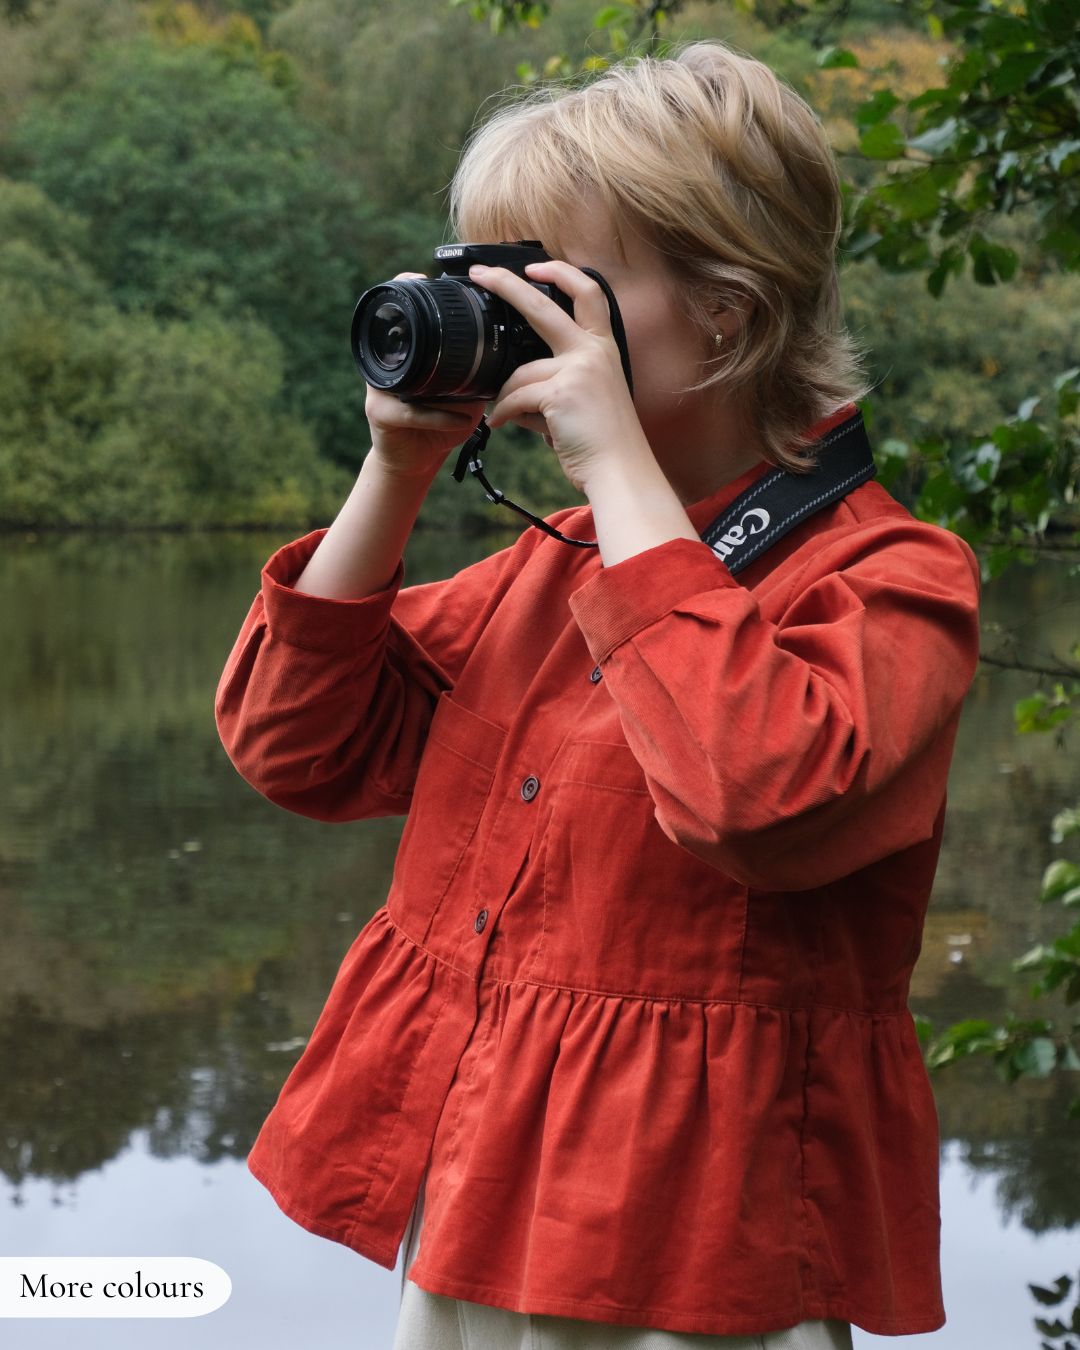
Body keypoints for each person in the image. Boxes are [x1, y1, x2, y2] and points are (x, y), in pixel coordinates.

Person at [215, 40, 981, 1350]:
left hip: (694, 1256)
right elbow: (296, 745)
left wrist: (614, 457)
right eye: (500, 283)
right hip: (474, 1221)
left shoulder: (889, 579)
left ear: (727, 311)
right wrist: (395, 471)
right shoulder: (545, 571)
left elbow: (750, 793)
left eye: (559, 285)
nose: (520, 319)